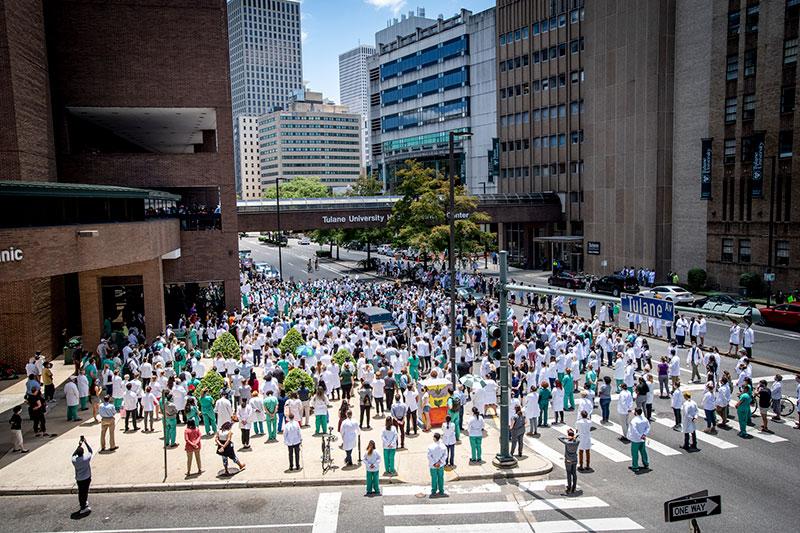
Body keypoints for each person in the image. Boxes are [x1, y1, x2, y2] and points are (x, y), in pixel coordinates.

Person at [71, 436, 93, 514]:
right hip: (86, 477)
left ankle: (82, 503)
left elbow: (73, 455)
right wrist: (86, 442)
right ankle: (83, 507)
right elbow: (90, 451)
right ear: (83, 452)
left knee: (81, 492)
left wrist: (79, 445)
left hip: (79, 479)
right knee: (85, 492)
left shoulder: (74, 461)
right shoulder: (86, 458)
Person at [627, 407, 650, 472]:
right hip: (642, 439)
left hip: (635, 440)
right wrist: (644, 435)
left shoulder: (634, 421)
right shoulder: (645, 419)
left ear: (636, 413)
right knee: (643, 451)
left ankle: (635, 466)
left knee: (635, 453)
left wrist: (639, 436)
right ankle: (646, 463)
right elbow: (648, 427)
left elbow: (634, 430)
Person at [557, 429, 579, 495]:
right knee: (574, 473)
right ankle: (574, 487)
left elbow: (559, 437)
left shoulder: (567, 442)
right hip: (575, 459)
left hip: (568, 460)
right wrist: (574, 437)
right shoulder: (577, 442)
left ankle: (569, 487)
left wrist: (567, 437)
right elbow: (579, 435)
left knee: (569, 473)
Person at [427, 432, 447, 497]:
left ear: (435, 438)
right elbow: (445, 455)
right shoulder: (443, 446)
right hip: (440, 465)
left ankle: (433, 491)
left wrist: (434, 463)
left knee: (434, 478)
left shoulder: (430, 447)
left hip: (433, 466)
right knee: (441, 478)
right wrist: (440, 462)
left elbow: (429, 456)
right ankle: (441, 491)